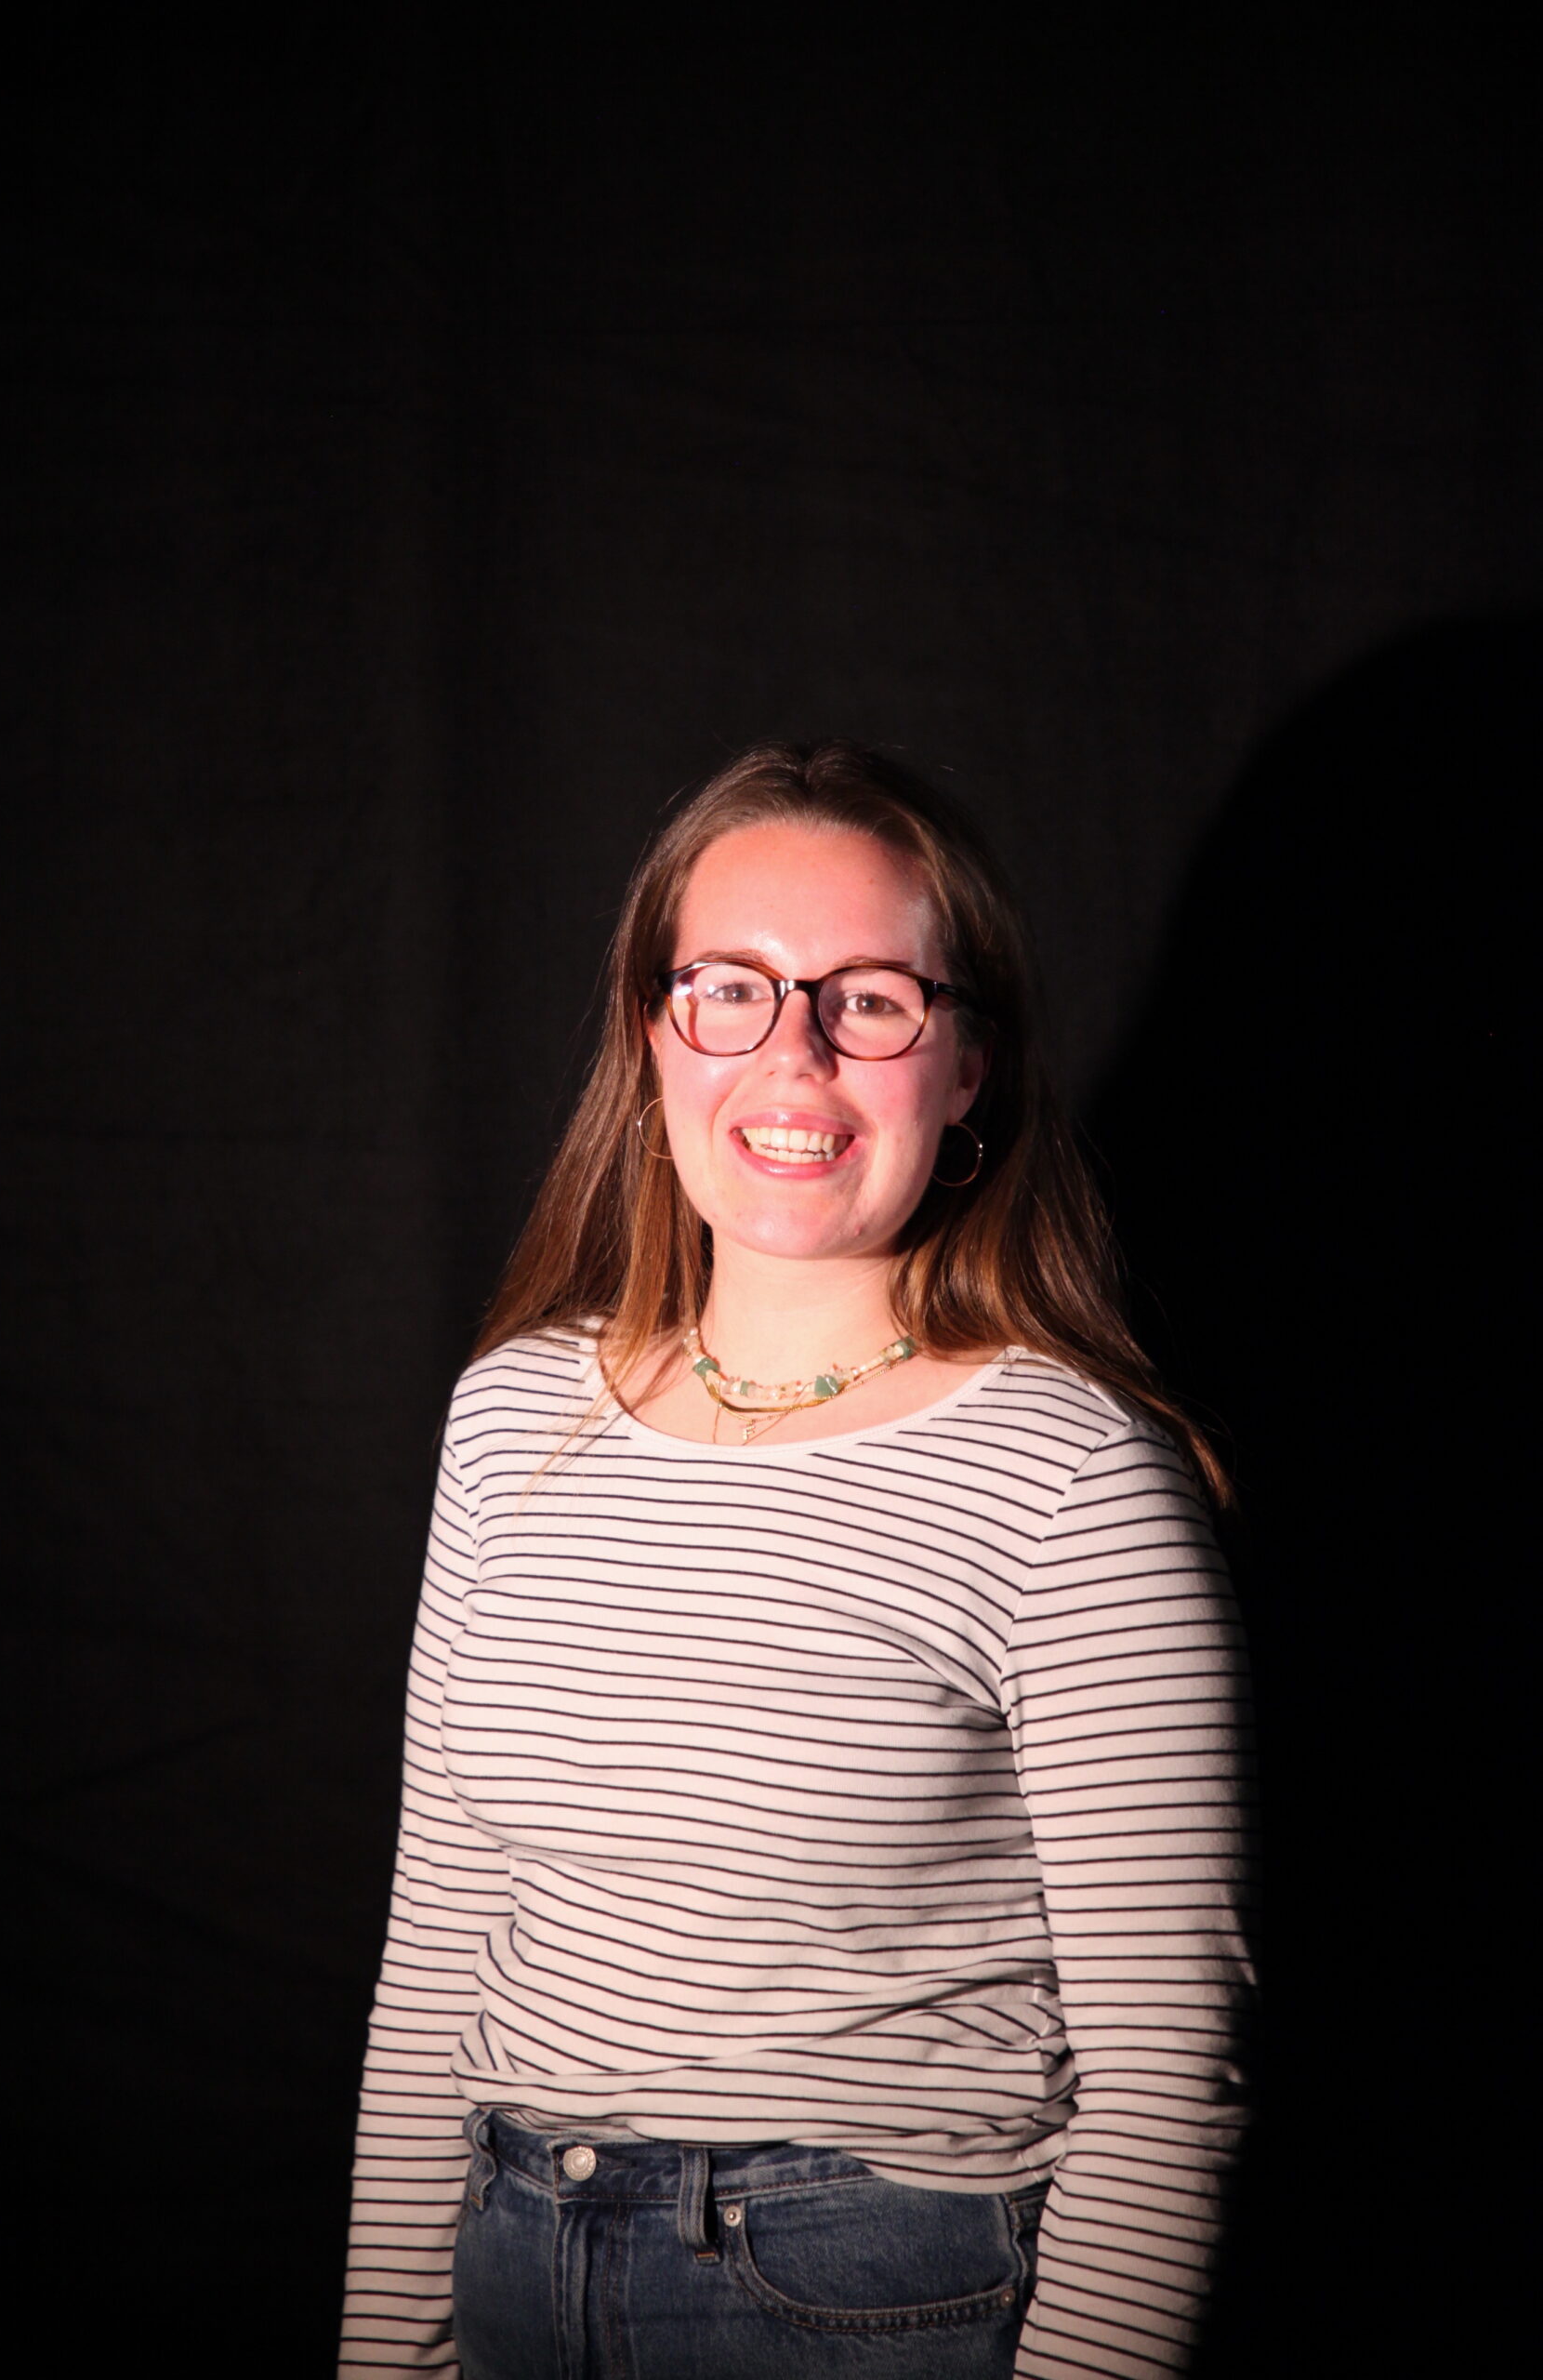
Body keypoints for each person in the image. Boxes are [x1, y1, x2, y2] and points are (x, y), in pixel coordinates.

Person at [339, 741, 1255, 2380]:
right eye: (731, 989)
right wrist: (387, 2351)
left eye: (871, 1000)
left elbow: (1169, 2078)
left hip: (871, 2302)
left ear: (966, 1067)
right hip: (514, 2262)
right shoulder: (511, 1414)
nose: (793, 1051)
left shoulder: (1071, 1474)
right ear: (654, 1036)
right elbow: (436, 1956)